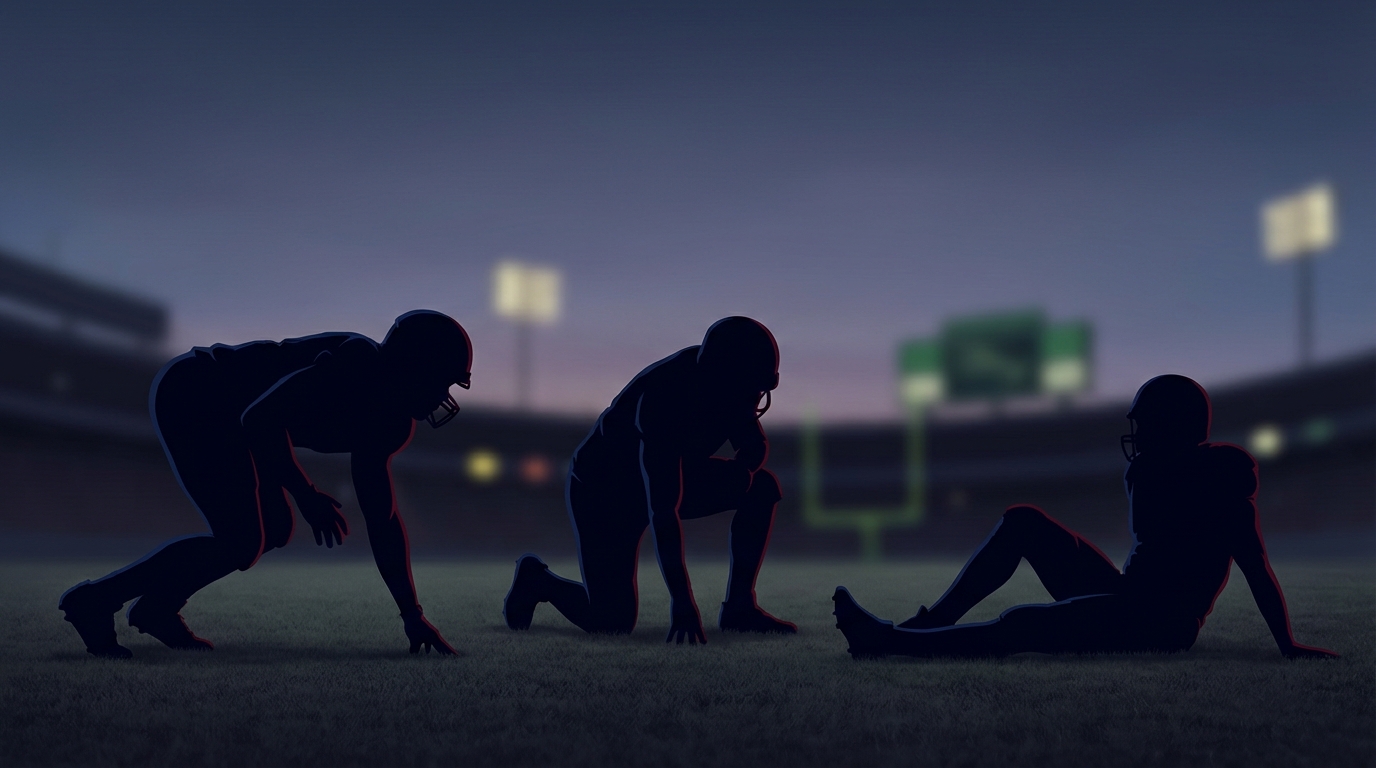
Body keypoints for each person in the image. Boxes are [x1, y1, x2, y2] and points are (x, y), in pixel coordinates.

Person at [832, 374, 1338, 661]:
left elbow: (1257, 569)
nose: (1137, 441)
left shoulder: (1219, 489)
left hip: (1160, 624)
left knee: (1023, 623)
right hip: (1130, 597)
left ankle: (890, 643)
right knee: (1023, 519)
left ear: (1172, 429)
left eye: (1147, 428)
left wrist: (1287, 645)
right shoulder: (1157, 473)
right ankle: (931, 624)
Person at [59, 310, 472, 658]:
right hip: (200, 392)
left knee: (271, 530)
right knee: (242, 539)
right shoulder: (356, 364)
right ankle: (95, 601)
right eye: (443, 380)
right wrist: (306, 495)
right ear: (414, 366)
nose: (443, 394)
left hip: (236, 416)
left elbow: (382, 518)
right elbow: (259, 419)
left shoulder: (390, 424)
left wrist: (411, 614)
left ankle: (157, 607)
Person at [503, 316, 794, 643]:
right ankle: (537, 581)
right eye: (750, 389)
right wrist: (683, 602)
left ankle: (740, 607)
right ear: (724, 379)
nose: (755, 399)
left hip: (666, 476)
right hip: (606, 491)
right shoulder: (665, 396)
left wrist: (744, 469)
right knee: (612, 620)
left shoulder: (723, 382)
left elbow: (754, 445)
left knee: (762, 487)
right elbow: (663, 510)